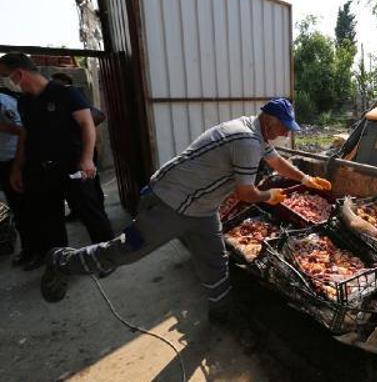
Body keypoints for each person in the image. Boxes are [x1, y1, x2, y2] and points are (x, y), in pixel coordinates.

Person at [39, 97, 332, 322]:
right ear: (268, 119)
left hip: (201, 208)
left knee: (215, 258)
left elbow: (277, 161)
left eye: (287, 129)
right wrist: (271, 196)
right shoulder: (246, 140)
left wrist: (306, 179)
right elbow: (245, 193)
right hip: (169, 203)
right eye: (282, 127)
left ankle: (221, 311)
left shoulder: (254, 130)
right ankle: (62, 260)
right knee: (125, 252)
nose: (283, 134)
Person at [0, 53, 114, 270]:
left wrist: (87, 159)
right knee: (50, 222)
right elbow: (25, 136)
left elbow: (87, 125)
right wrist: (17, 169)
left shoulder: (65, 93)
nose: (6, 81)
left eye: (5, 76)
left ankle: (108, 259)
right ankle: (63, 263)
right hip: (41, 170)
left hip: (73, 166)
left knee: (91, 214)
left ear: (18, 74)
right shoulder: (24, 101)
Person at [49, 72, 107, 223]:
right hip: (66, 154)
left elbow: (99, 115)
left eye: (57, 84)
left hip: (83, 150)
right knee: (71, 187)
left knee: (90, 185)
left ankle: (99, 212)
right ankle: (77, 211)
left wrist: (79, 128)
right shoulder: (51, 102)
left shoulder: (74, 98)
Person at [0, 90, 32, 262]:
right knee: (18, 210)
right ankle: (29, 249)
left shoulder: (3, 102)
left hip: (15, 161)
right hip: (4, 162)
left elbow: (24, 130)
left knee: (25, 209)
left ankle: (36, 250)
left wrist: (16, 168)